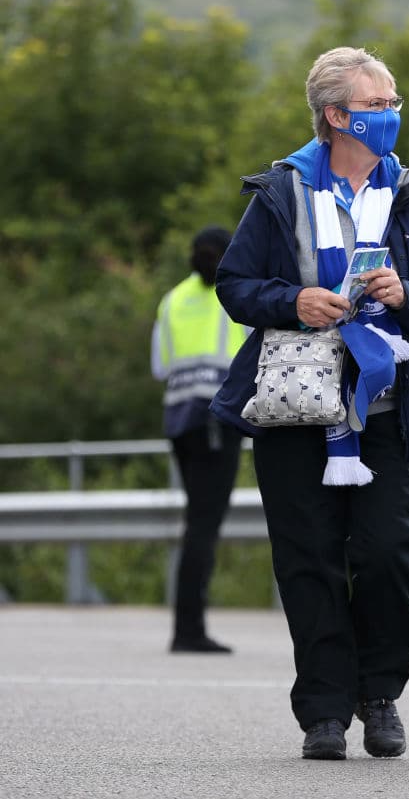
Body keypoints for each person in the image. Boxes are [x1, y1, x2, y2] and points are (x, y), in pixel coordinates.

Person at [210, 46, 409, 761]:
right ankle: (324, 709)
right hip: (295, 406)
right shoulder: (281, 190)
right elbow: (235, 286)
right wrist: (293, 299)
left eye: (393, 103)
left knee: (389, 552)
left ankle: (378, 692)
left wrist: (405, 294)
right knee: (308, 559)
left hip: (382, 407)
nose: (393, 115)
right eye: (380, 105)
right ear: (336, 115)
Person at [152, 226, 247, 654]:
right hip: (217, 420)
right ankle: (188, 630)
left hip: (179, 421)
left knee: (196, 523)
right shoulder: (235, 297)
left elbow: (159, 366)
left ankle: (187, 625)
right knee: (203, 529)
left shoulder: (172, 299)